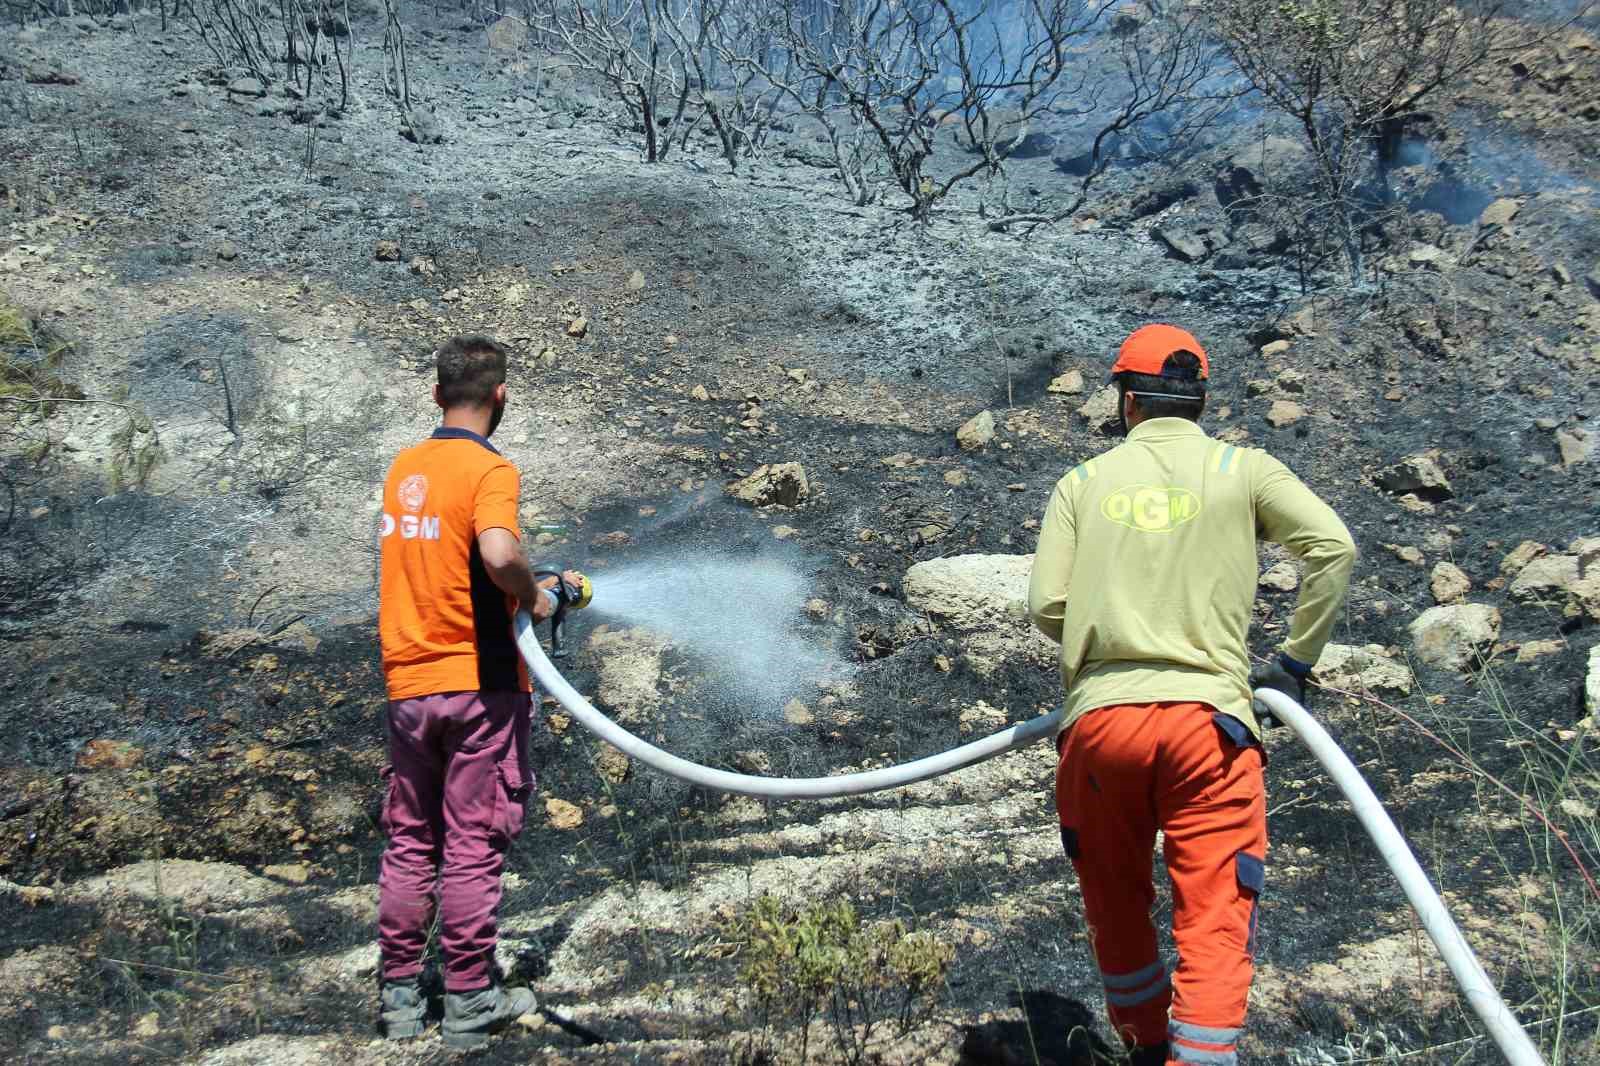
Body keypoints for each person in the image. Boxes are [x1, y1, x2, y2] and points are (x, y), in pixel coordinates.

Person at [1027, 324, 1356, 1066]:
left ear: (1126, 401)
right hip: (1212, 726)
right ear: (1200, 398)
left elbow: (1047, 606)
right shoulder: (1245, 469)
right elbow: (1333, 547)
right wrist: (1294, 663)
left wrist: (1112, 624)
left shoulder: (1081, 484)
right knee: (1212, 915)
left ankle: (1144, 1047)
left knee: (1115, 902)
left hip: (1101, 727)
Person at [375, 333, 577, 1049]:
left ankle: (399, 1000)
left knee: (410, 838)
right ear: (501, 397)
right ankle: (468, 999)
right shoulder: (489, 468)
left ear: (436, 395)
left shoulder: (406, 467)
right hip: (479, 688)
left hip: (409, 684)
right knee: (471, 843)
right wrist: (539, 598)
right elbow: (496, 553)